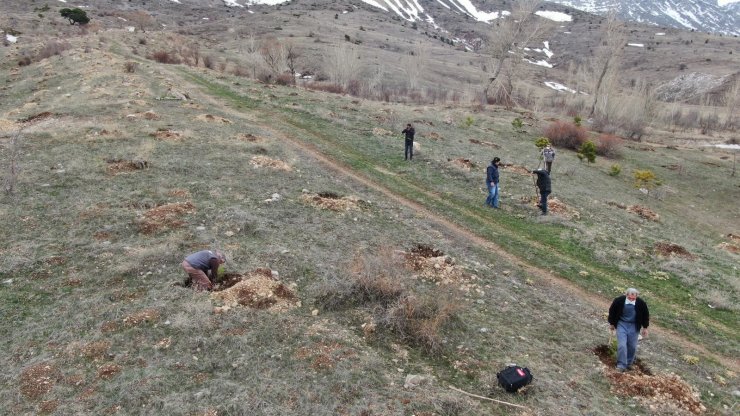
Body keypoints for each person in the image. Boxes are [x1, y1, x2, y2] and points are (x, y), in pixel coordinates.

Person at [608, 288, 650, 372]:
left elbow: (646, 315)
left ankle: (629, 363)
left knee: (632, 346)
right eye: (629, 298)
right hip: (621, 324)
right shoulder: (619, 301)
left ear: (636, 297)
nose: (631, 300)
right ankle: (621, 365)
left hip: (634, 326)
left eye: (633, 298)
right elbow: (612, 311)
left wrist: (645, 328)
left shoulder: (641, 303)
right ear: (626, 295)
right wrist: (612, 323)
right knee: (622, 345)